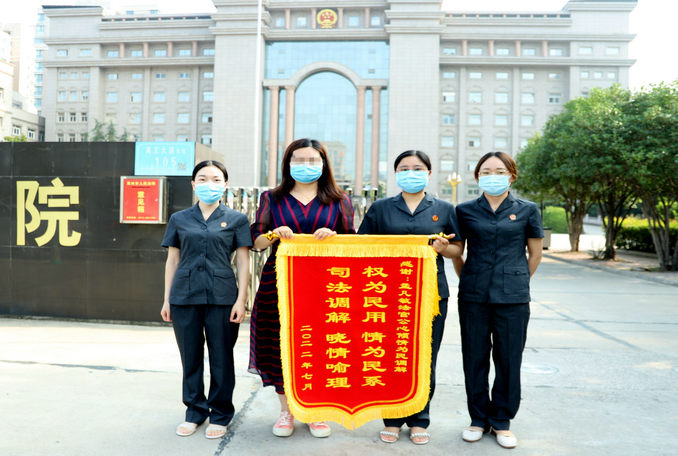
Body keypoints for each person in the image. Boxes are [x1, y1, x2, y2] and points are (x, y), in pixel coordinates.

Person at [249, 138, 356, 438]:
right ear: (288, 164)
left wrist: (334, 237)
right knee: (280, 344)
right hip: (279, 282)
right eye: (299, 160)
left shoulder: (340, 200)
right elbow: (256, 242)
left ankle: (315, 410)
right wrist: (274, 234)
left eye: (312, 160)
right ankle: (287, 411)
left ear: (323, 164)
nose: (306, 166)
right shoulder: (272, 198)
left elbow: (352, 243)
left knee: (320, 345)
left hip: (325, 284)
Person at [358, 150, 463, 446]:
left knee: (425, 356)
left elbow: (458, 249)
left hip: (431, 293)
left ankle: (420, 418)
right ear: (396, 174)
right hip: (387, 293)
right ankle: (391, 418)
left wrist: (443, 248)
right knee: (390, 355)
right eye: (404, 168)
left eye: (417, 168)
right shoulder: (381, 208)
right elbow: (361, 245)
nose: (410, 173)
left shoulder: (444, 209)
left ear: (429, 173)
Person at [455, 151, 543, 449]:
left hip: (513, 298)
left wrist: (516, 280)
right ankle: (478, 419)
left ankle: (502, 421)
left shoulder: (527, 209)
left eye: (500, 171)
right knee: (474, 358)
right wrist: (469, 278)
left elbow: (535, 254)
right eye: (486, 172)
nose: (493, 176)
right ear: (478, 176)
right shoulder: (465, 210)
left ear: (511, 176)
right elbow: (458, 253)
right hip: (474, 296)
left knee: (508, 359)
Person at [160, 160, 251, 439]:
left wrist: (241, 300)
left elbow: (243, 262)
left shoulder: (237, 219)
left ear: (225, 184)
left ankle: (220, 414)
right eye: (202, 179)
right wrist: (167, 300)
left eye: (215, 179)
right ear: (193, 184)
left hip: (222, 297)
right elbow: (172, 260)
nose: (208, 184)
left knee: (221, 357)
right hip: (184, 296)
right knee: (190, 357)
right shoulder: (179, 219)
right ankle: (195, 411)